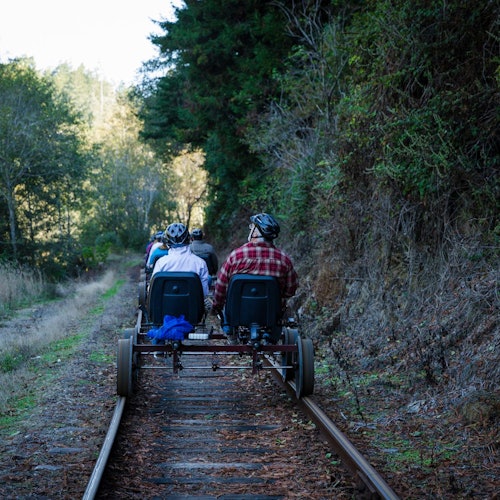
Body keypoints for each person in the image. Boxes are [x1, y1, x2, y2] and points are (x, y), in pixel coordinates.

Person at [211, 213, 298, 319]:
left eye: (251, 227)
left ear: (256, 232)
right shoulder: (284, 260)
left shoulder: (235, 256)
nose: (250, 230)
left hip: (237, 314)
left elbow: (221, 287)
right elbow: (290, 290)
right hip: (270, 315)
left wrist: (217, 306)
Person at [152, 223, 210, 297]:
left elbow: (152, 290)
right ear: (189, 239)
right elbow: (204, 293)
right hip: (193, 307)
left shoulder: (161, 263)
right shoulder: (200, 263)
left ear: (167, 241)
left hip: (166, 307)